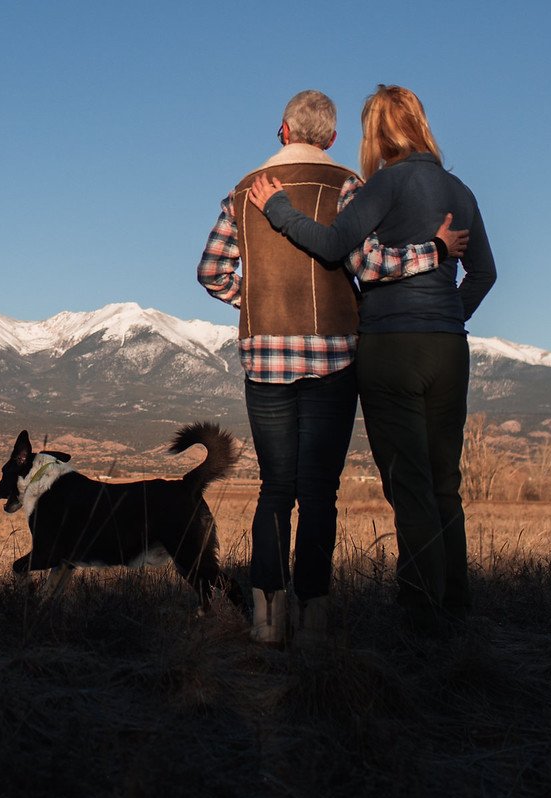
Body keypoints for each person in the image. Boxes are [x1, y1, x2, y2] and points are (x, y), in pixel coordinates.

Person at [199, 90, 468, 646]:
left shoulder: (243, 191)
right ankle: (315, 618)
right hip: (335, 356)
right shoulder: (348, 186)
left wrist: (254, 302)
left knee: (276, 489)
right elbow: (369, 265)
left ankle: (267, 622)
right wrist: (434, 251)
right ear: (334, 138)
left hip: (264, 357)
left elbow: (211, 272)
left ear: (282, 130)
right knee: (320, 492)